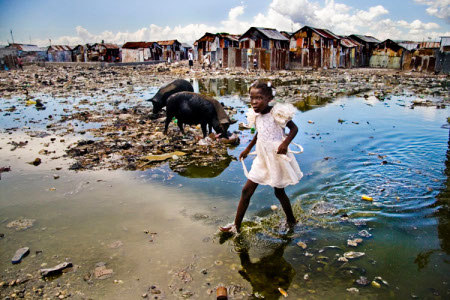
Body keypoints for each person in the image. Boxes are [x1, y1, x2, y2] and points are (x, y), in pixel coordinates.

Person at [220, 81, 303, 233]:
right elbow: (259, 133)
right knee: (246, 191)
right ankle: (236, 227)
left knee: (279, 192)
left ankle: (291, 221)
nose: (254, 102)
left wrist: (285, 144)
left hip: (276, 156)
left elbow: (294, 129)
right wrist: (247, 148)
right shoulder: (256, 115)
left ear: (269, 98)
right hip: (262, 157)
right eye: (251, 97)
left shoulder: (276, 114)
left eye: (258, 98)